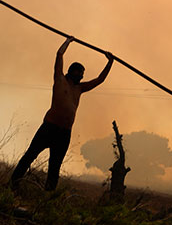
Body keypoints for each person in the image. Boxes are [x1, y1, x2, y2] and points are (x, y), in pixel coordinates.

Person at [11, 37, 114, 191]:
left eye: (82, 73)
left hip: (64, 132)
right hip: (49, 127)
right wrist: (68, 42)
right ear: (71, 71)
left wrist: (110, 62)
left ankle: (48, 195)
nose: (81, 75)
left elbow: (99, 80)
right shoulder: (59, 80)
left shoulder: (80, 89)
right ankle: (13, 183)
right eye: (79, 72)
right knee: (30, 155)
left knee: (55, 165)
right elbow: (59, 56)